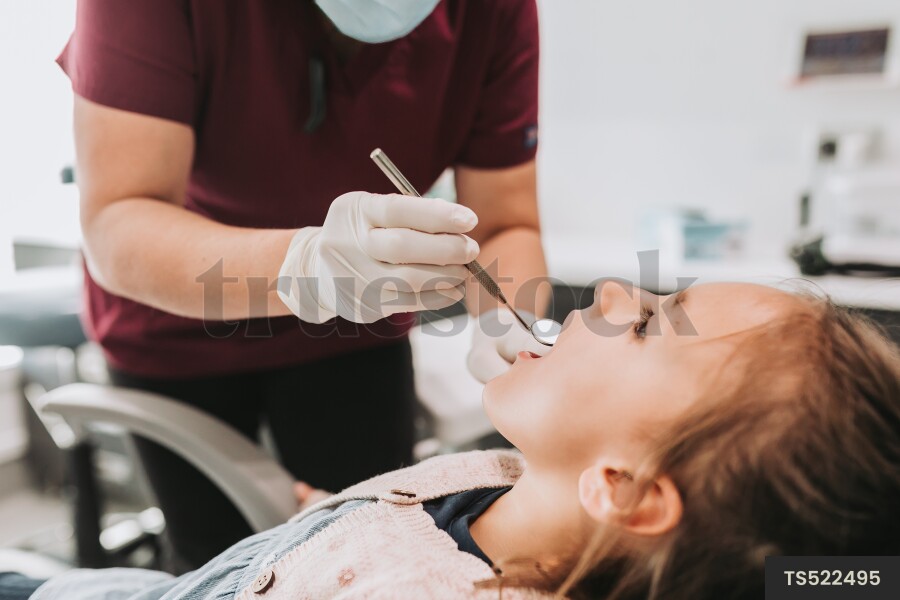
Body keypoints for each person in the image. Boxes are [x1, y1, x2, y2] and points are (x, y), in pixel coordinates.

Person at [5, 280, 898, 599]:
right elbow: (849, 574)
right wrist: (336, 516)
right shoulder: (516, 480)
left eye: (649, 324)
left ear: (624, 490)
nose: (619, 289)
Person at [57, 0, 549, 569]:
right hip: (178, 323)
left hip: (358, 331)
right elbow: (119, 217)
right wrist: (304, 264)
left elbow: (502, 223)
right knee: (219, 566)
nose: (609, 303)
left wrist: (503, 324)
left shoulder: (493, 12)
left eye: (641, 323)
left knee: (370, 553)